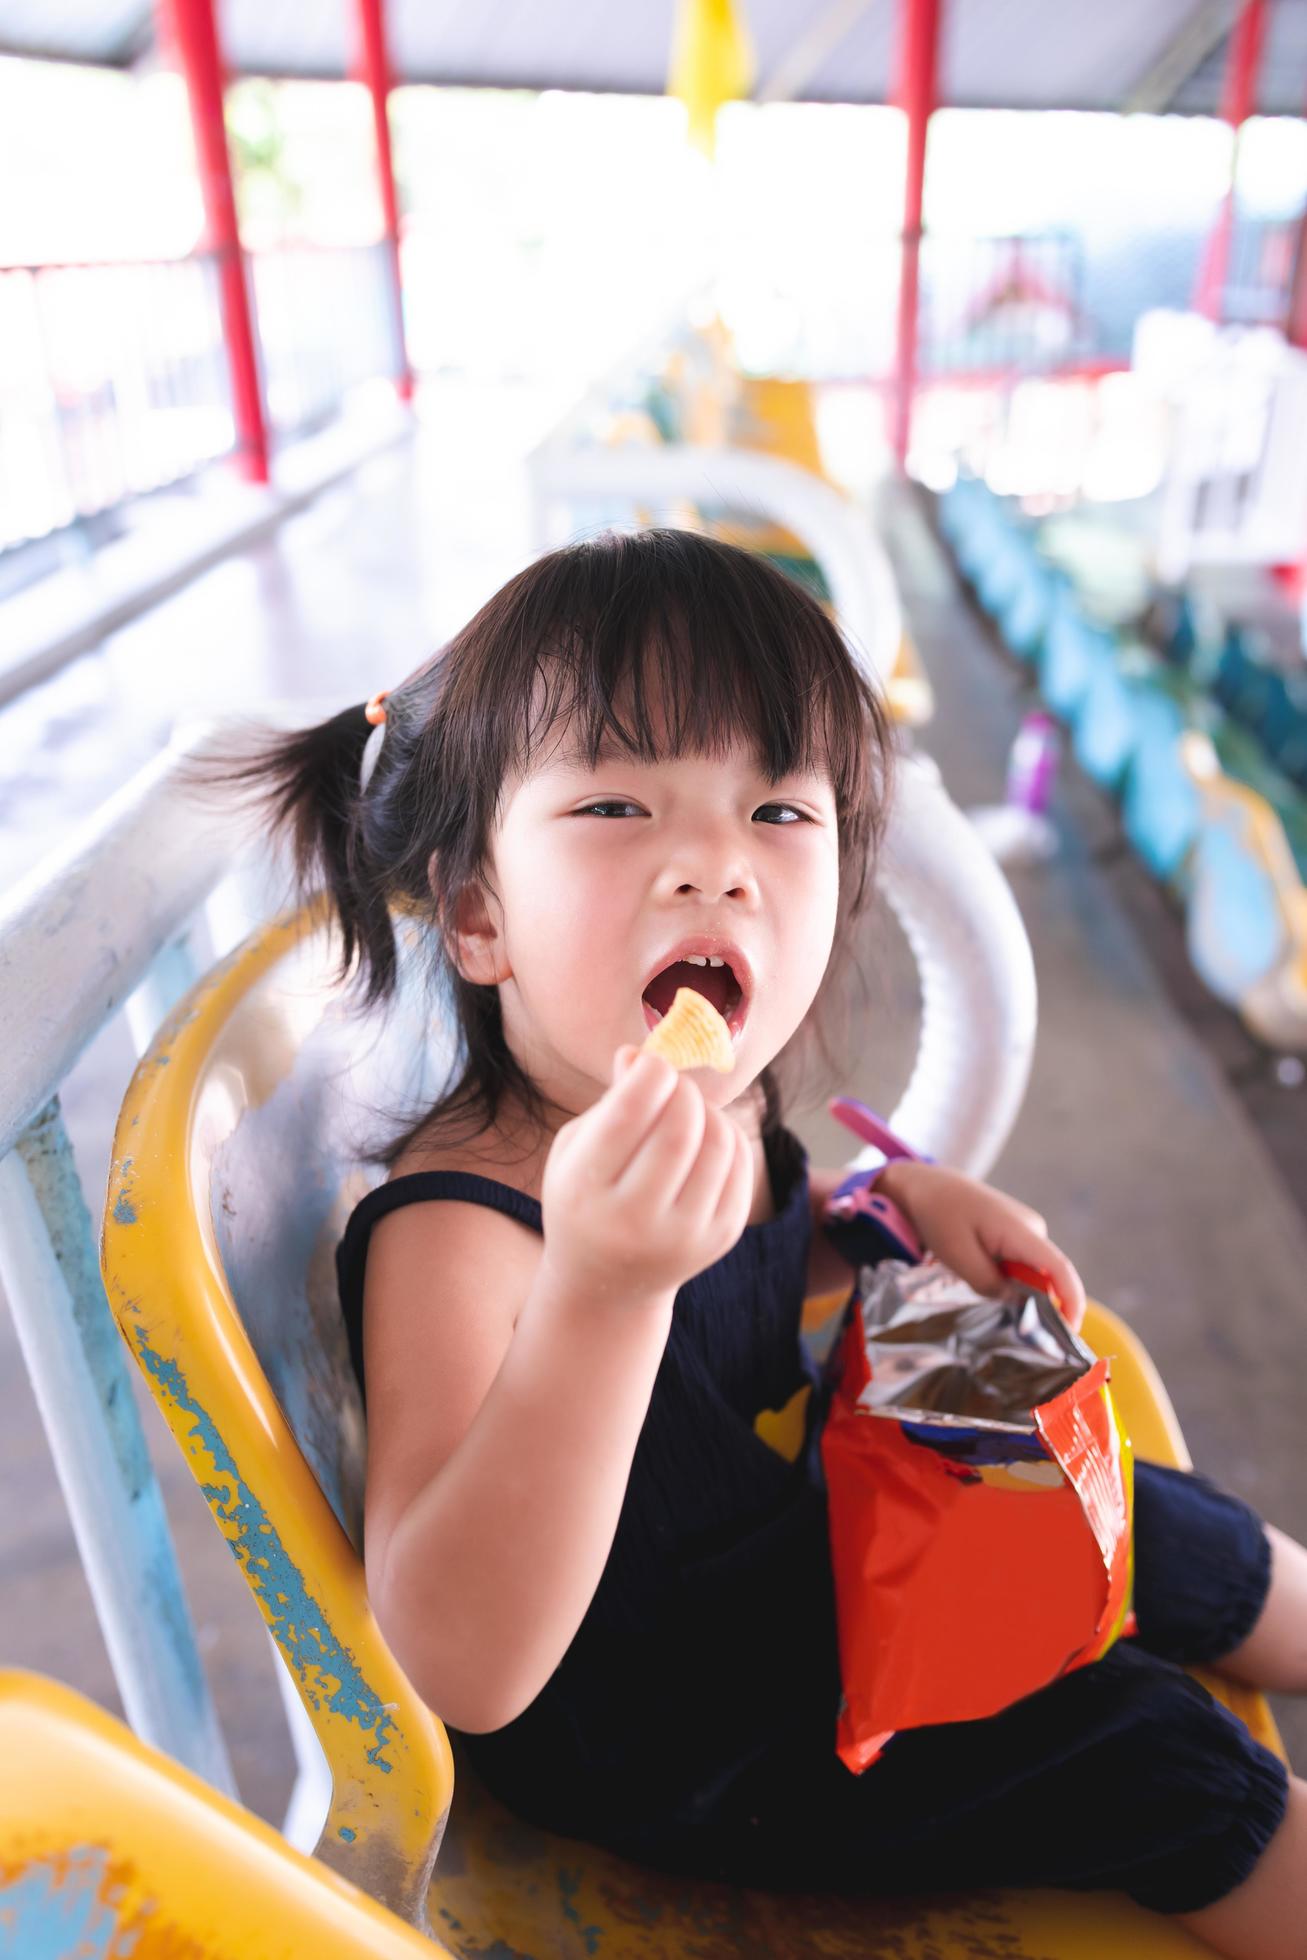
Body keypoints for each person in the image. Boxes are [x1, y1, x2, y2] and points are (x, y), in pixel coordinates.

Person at [213, 528, 1304, 1958]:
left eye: (779, 815)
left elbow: (750, 1261)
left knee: (1132, 1510)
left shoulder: (688, 1109)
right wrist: (601, 1294)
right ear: (478, 913)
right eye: (617, 805)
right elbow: (465, 1661)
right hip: (693, 1734)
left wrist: (888, 1214)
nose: (714, 869)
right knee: (1135, 1745)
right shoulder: (461, 1230)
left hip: (790, 1563)